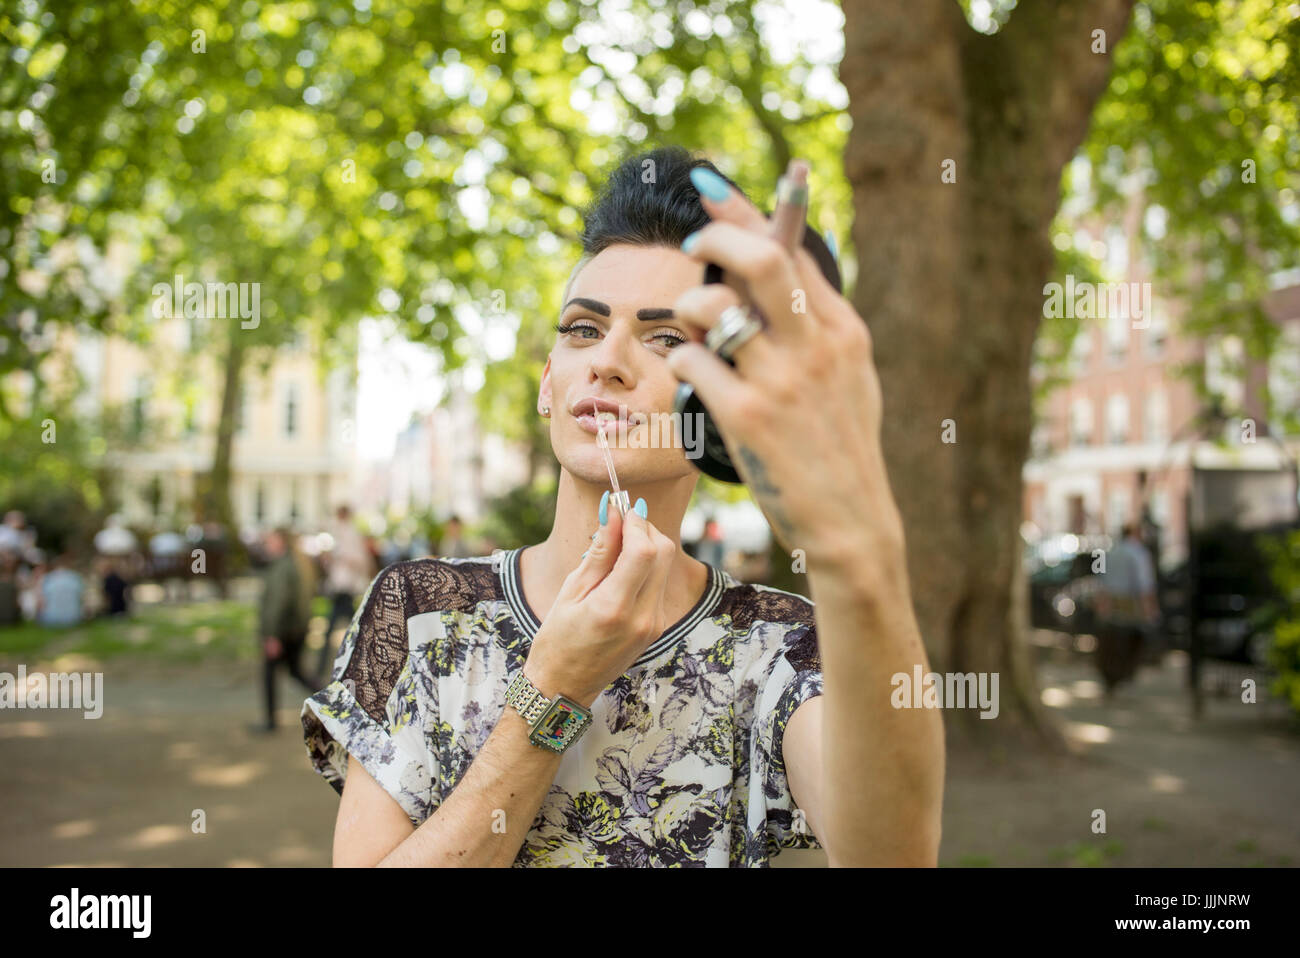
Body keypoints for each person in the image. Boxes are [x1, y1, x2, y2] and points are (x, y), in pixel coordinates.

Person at [301, 146, 943, 867]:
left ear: (722, 401)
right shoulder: (419, 611)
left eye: (666, 338)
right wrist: (553, 692)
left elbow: (891, 857)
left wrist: (856, 550)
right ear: (549, 383)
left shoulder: (781, 646)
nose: (606, 360)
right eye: (582, 329)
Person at [255, 527, 318, 733]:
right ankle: (333, 702)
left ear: (281, 541)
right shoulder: (299, 563)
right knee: (297, 673)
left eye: (271, 540)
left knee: (271, 674)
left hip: (283, 631)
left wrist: (272, 634)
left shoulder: (283, 566)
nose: (267, 544)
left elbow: (278, 603)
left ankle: (270, 721)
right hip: (295, 629)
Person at [1094, 521, 1160, 695]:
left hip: (1112, 601)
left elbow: (1101, 580)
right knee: (1135, 637)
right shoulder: (1138, 553)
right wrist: (1150, 609)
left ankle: (1112, 676)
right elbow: (1144, 584)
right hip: (1131, 603)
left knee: (1113, 639)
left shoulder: (1110, 552)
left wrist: (1102, 605)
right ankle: (1124, 673)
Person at [317, 505, 374, 680]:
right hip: (339, 589)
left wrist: (343, 559)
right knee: (350, 630)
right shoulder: (336, 535)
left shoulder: (352, 536)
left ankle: (361, 663)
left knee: (353, 630)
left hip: (347, 590)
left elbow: (361, 562)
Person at [37, 554, 85, 627]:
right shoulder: (76, 578)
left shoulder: (47, 578)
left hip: (52, 619)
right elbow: (81, 599)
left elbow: (41, 602)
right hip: (73, 618)